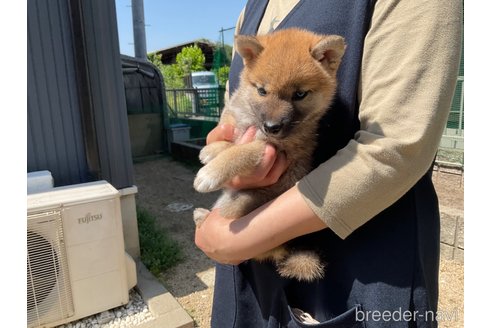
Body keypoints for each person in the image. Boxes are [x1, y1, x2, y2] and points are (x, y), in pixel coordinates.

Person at [195, 0, 463, 327]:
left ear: (329, 59)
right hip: (249, 273)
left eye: (298, 95)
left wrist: (236, 237)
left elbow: (396, 146)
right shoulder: (251, 10)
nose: (276, 117)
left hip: (363, 268)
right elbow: (234, 110)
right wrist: (224, 146)